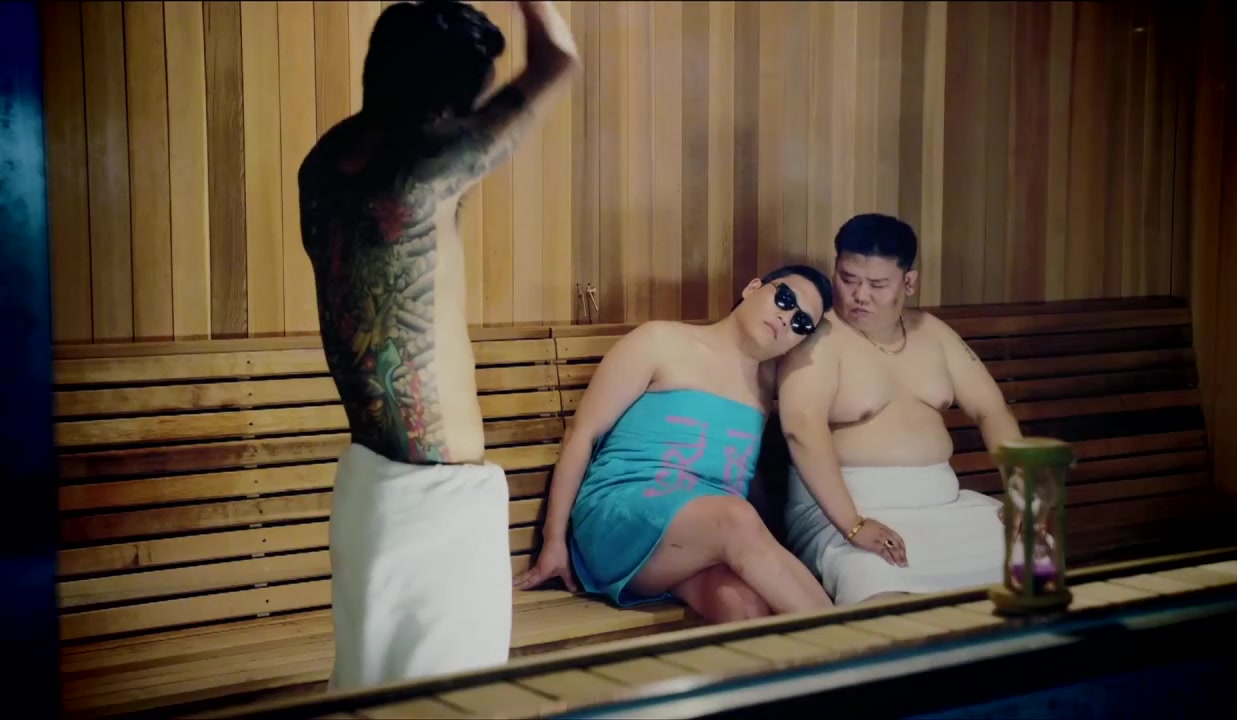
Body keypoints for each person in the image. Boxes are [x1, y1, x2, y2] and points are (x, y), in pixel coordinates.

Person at [297, 0, 579, 692]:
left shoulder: (324, 163)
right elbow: (558, 61)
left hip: (368, 487)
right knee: (454, 701)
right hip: (437, 495)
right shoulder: (429, 164)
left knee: (367, 691)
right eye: (471, 101)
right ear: (444, 98)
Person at [513, 267, 837, 623]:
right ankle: (854, 643)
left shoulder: (767, 386)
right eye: (785, 298)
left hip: (695, 540)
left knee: (743, 606)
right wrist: (553, 541)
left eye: (802, 323)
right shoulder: (660, 341)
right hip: (621, 515)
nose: (786, 318)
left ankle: (843, 647)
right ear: (752, 287)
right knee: (737, 516)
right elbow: (581, 433)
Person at [777, 213, 1020, 605]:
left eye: (877, 284)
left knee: (1035, 564)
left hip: (947, 507)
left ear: (908, 282)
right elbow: (800, 427)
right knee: (880, 589)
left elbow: (991, 410)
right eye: (848, 278)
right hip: (844, 511)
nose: (859, 295)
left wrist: (1023, 492)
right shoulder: (818, 337)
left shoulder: (932, 332)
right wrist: (854, 525)